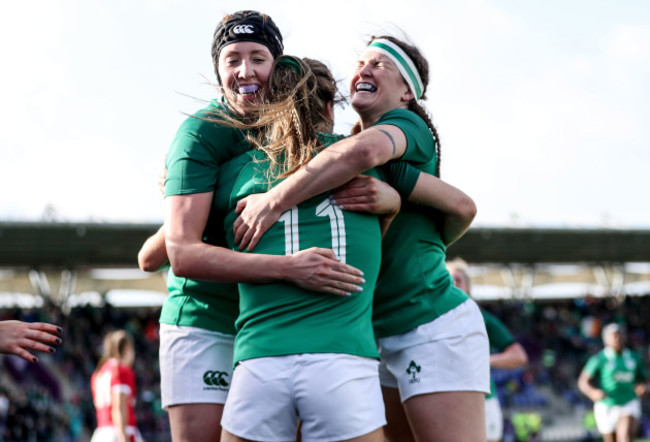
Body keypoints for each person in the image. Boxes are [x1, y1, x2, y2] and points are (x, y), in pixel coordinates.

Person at [232, 35, 490, 441]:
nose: (364, 70)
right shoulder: (340, 150)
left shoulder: (404, 128)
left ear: (408, 91)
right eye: (361, 62)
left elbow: (463, 207)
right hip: (377, 333)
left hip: (429, 323)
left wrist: (275, 199)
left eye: (381, 64)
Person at [140, 11, 364, 442]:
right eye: (233, 59)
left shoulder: (283, 129)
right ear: (218, 69)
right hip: (206, 319)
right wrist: (289, 268)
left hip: (266, 324)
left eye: (258, 58)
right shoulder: (200, 134)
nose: (246, 72)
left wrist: (389, 199)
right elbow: (180, 255)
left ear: (278, 68)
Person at [215, 55, 405, 442]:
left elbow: (179, 248)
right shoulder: (364, 164)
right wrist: (394, 206)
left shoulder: (234, 174)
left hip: (260, 360)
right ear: (327, 106)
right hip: (342, 360)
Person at [447, 257, 529, 442]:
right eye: (447, 279)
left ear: (468, 287)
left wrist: (485, 360)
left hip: (482, 400)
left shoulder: (481, 318)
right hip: (445, 398)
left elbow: (519, 356)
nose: (453, 284)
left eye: (458, 280)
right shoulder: (429, 319)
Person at [578, 323, 648, 442]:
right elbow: (583, 382)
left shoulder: (634, 357)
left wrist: (645, 387)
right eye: (613, 336)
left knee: (624, 436)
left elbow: (646, 379)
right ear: (606, 339)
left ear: (625, 337)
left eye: (620, 335)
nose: (617, 339)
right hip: (607, 405)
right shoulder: (600, 359)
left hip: (628, 402)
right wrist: (593, 392)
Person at [90, 330, 142, 442]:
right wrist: (123, 437)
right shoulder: (121, 370)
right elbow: (119, 406)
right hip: (119, 432)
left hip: (102, 432)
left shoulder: (99, 372)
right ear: (127, 349)